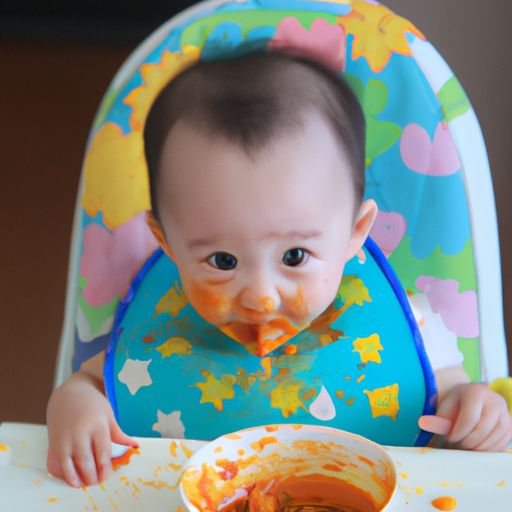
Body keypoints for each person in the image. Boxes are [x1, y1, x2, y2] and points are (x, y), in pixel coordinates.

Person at [46, 52, 511, 488]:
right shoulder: (159, 330)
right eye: (222, 261)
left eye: (294, 257)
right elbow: (91, 380)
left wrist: (475, 414)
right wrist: (75, 404)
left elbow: (451, 400)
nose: (260, 296)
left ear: (356, 232)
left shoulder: (410, 332)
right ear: (166, 242)